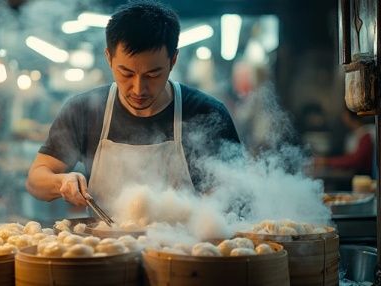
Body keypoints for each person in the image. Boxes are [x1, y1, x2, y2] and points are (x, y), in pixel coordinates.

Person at [26, 1, 240, 210]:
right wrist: (62, 182)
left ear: (173, 60)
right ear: (109, 58)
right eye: (126, 73)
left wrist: (215, 206)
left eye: (153, 74)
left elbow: (234, 195)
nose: (138, 89)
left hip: (184, 244)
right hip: (105, 244)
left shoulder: (207, 114)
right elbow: (36, 180)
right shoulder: (83, 110)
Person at [315, 108, 374, 176]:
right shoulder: (353, 135)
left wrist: (327, 162)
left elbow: (356, 160)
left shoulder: (366, 134)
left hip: (364, 175)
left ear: (350, 116)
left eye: (345, 114)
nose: (342, 117)